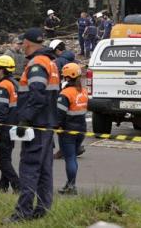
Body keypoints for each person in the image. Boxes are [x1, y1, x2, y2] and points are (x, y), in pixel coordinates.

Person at [5, 28, 60, 223]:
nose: (21, 47)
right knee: (44, 169)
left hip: (37, 125)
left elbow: (38, 95)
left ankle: (22, 213)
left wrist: (25, 119)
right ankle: (43, 209)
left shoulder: (37, 64)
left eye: (22, 44)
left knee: (29, 168)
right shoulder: (50, 62)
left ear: (27, 43)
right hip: (47, 124)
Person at [57, 63, 88, 195]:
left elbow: (59, 114)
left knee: (70, 158)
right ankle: (70, 183)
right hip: (81, 129)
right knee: (72, 158)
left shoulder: (65, 94)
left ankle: (71, 186)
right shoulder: (83, 91)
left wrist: (56, 126)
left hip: (67, 131)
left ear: (67, 77)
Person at [0, 55, 20, 194]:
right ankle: (3, 188)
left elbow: (1, 109)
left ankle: (18, 186)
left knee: (3, 162)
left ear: (2, 70)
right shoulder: (15, 83)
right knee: (6, 158)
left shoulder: (3, 86)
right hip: (12, 126)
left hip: (4, 128)